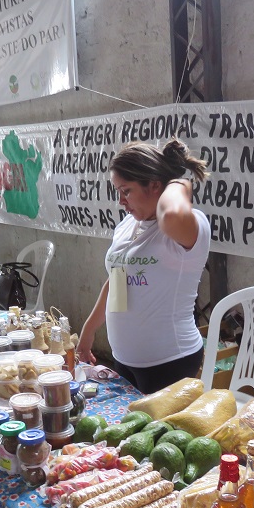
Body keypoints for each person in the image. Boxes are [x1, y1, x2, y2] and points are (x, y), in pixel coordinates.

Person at [77, 139, 211, 393]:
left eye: (126, 191)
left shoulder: (188, 225)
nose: (121, 201)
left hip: (170, 361)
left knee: (161, 433)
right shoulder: (128, 225)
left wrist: (179, 182)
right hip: (125, 358)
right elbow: (118, 281)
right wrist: (89, 329)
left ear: (155, 185)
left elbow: (170, 213)